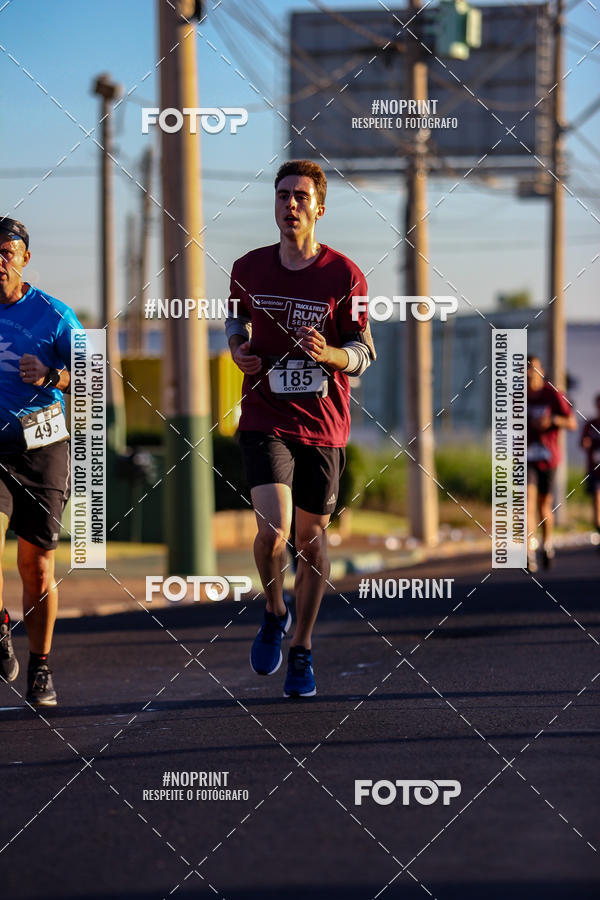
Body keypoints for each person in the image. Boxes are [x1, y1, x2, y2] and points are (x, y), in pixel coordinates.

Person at [226, 160, 375, 697]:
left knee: (311, 541)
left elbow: (364, 352)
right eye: (282, 194)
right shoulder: (249, 267)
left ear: (319, 208)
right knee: (274, 531)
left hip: (324, 426)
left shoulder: (345, 275)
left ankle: (302, 648)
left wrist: (330, 353)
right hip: (266, 417)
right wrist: (237, 347)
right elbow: (235, 319)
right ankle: (273, 608)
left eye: (301, 196)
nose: (290, 204)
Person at [0, 217, 82, 706]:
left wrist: (52, 375)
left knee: (37, 567)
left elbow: (93, 376)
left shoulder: (54, 315)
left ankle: (41, 665)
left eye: (7, 252)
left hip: (42, 449)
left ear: (25, 258)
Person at [526, 355, 576, 571]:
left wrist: (552, 421)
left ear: (541, 371)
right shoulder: (516, 397)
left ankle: (546, 544)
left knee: (543, 505)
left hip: (548, 457)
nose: (529, 374)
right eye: (525, 370)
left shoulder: (552, 395)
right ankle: (529, 551)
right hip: (525, 456)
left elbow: (571, 422)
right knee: (527, 503)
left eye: (533, 369)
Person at [580, 393, 600, 538]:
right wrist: (585, 443)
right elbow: (582, 443)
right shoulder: (590, 424)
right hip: (594, 470)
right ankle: (598, 529)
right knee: (596, 500)